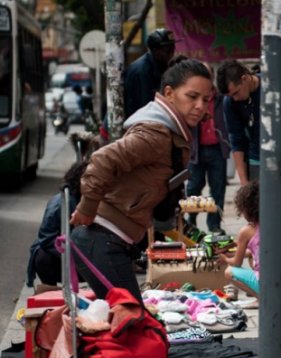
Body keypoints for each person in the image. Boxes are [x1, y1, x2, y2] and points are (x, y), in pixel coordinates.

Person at [70, 59, 213, 301]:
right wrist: (87, 207)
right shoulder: (156, 133)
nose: (199, 106)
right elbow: (103, 159)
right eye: (192, 97)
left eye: (205, 99)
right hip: (101, 239)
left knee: (129, 322)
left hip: (110, 241)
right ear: (169, 93)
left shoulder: (169, 131)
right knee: (132, 323)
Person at [216, 60, 281, 186]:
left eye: (236, 92)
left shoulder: (276, 84)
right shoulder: (230, 102)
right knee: (259, 204)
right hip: (258, 160)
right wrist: (244, 182)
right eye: (230, 96)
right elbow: (236, 140)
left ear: (245, 78)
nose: (235, 98)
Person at [26, 160, 89, 291]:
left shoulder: (83, 199)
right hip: (56, 258)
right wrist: (74, 255)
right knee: (44, 257)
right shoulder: (60, 204)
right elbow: (46, 239)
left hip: (73, 255)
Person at [186, 62, 231, 235]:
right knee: (194, 187)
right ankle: (190, 220)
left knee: (217, 189)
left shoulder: (220, 98)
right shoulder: (192, 97)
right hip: (196, 149)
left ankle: (214, 224)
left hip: (217, 149)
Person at [221, 181, 261, 309]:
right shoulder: (273, 223)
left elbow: (236, 264)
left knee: (229, 272)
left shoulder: (247, 231)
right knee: (250, 257)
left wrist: (225, 259)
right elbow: (257, 251)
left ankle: (262, 298)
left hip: (265, 282)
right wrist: (235, 250)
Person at [124, 28, 176, 118]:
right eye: (168, 51)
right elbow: (144, 108)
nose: (171, 54)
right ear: (156, 51)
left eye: (173, 49)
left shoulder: (162, 66)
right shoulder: (142, 71)